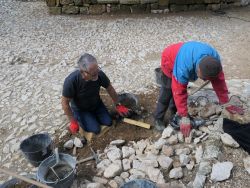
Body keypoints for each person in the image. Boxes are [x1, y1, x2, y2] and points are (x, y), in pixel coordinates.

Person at [154, 41, 244, 137]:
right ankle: (158, 118)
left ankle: (174, 111)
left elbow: (219, 83)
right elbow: (179, 91)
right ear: (198, 70)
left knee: (175, 100)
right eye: (203, 78)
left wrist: (226, 102)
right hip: (170, 59)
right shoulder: (184, 67)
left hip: (187, 53)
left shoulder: (214, 62)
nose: (204, 80)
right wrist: (184, 118)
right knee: (168, 91)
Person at [61, 53, 130, 135]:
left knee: (108, 122)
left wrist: (118, 105)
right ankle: (80, 118)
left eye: (97, 69)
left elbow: (110, 89)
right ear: (83, 72)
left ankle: (93, 116)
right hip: (81, 109)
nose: (97, 75)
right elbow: (64, 103)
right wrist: (73, 122)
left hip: (96, 105)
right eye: (93, 74)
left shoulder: (99, 74)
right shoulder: (71, 81)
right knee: (95, 129)